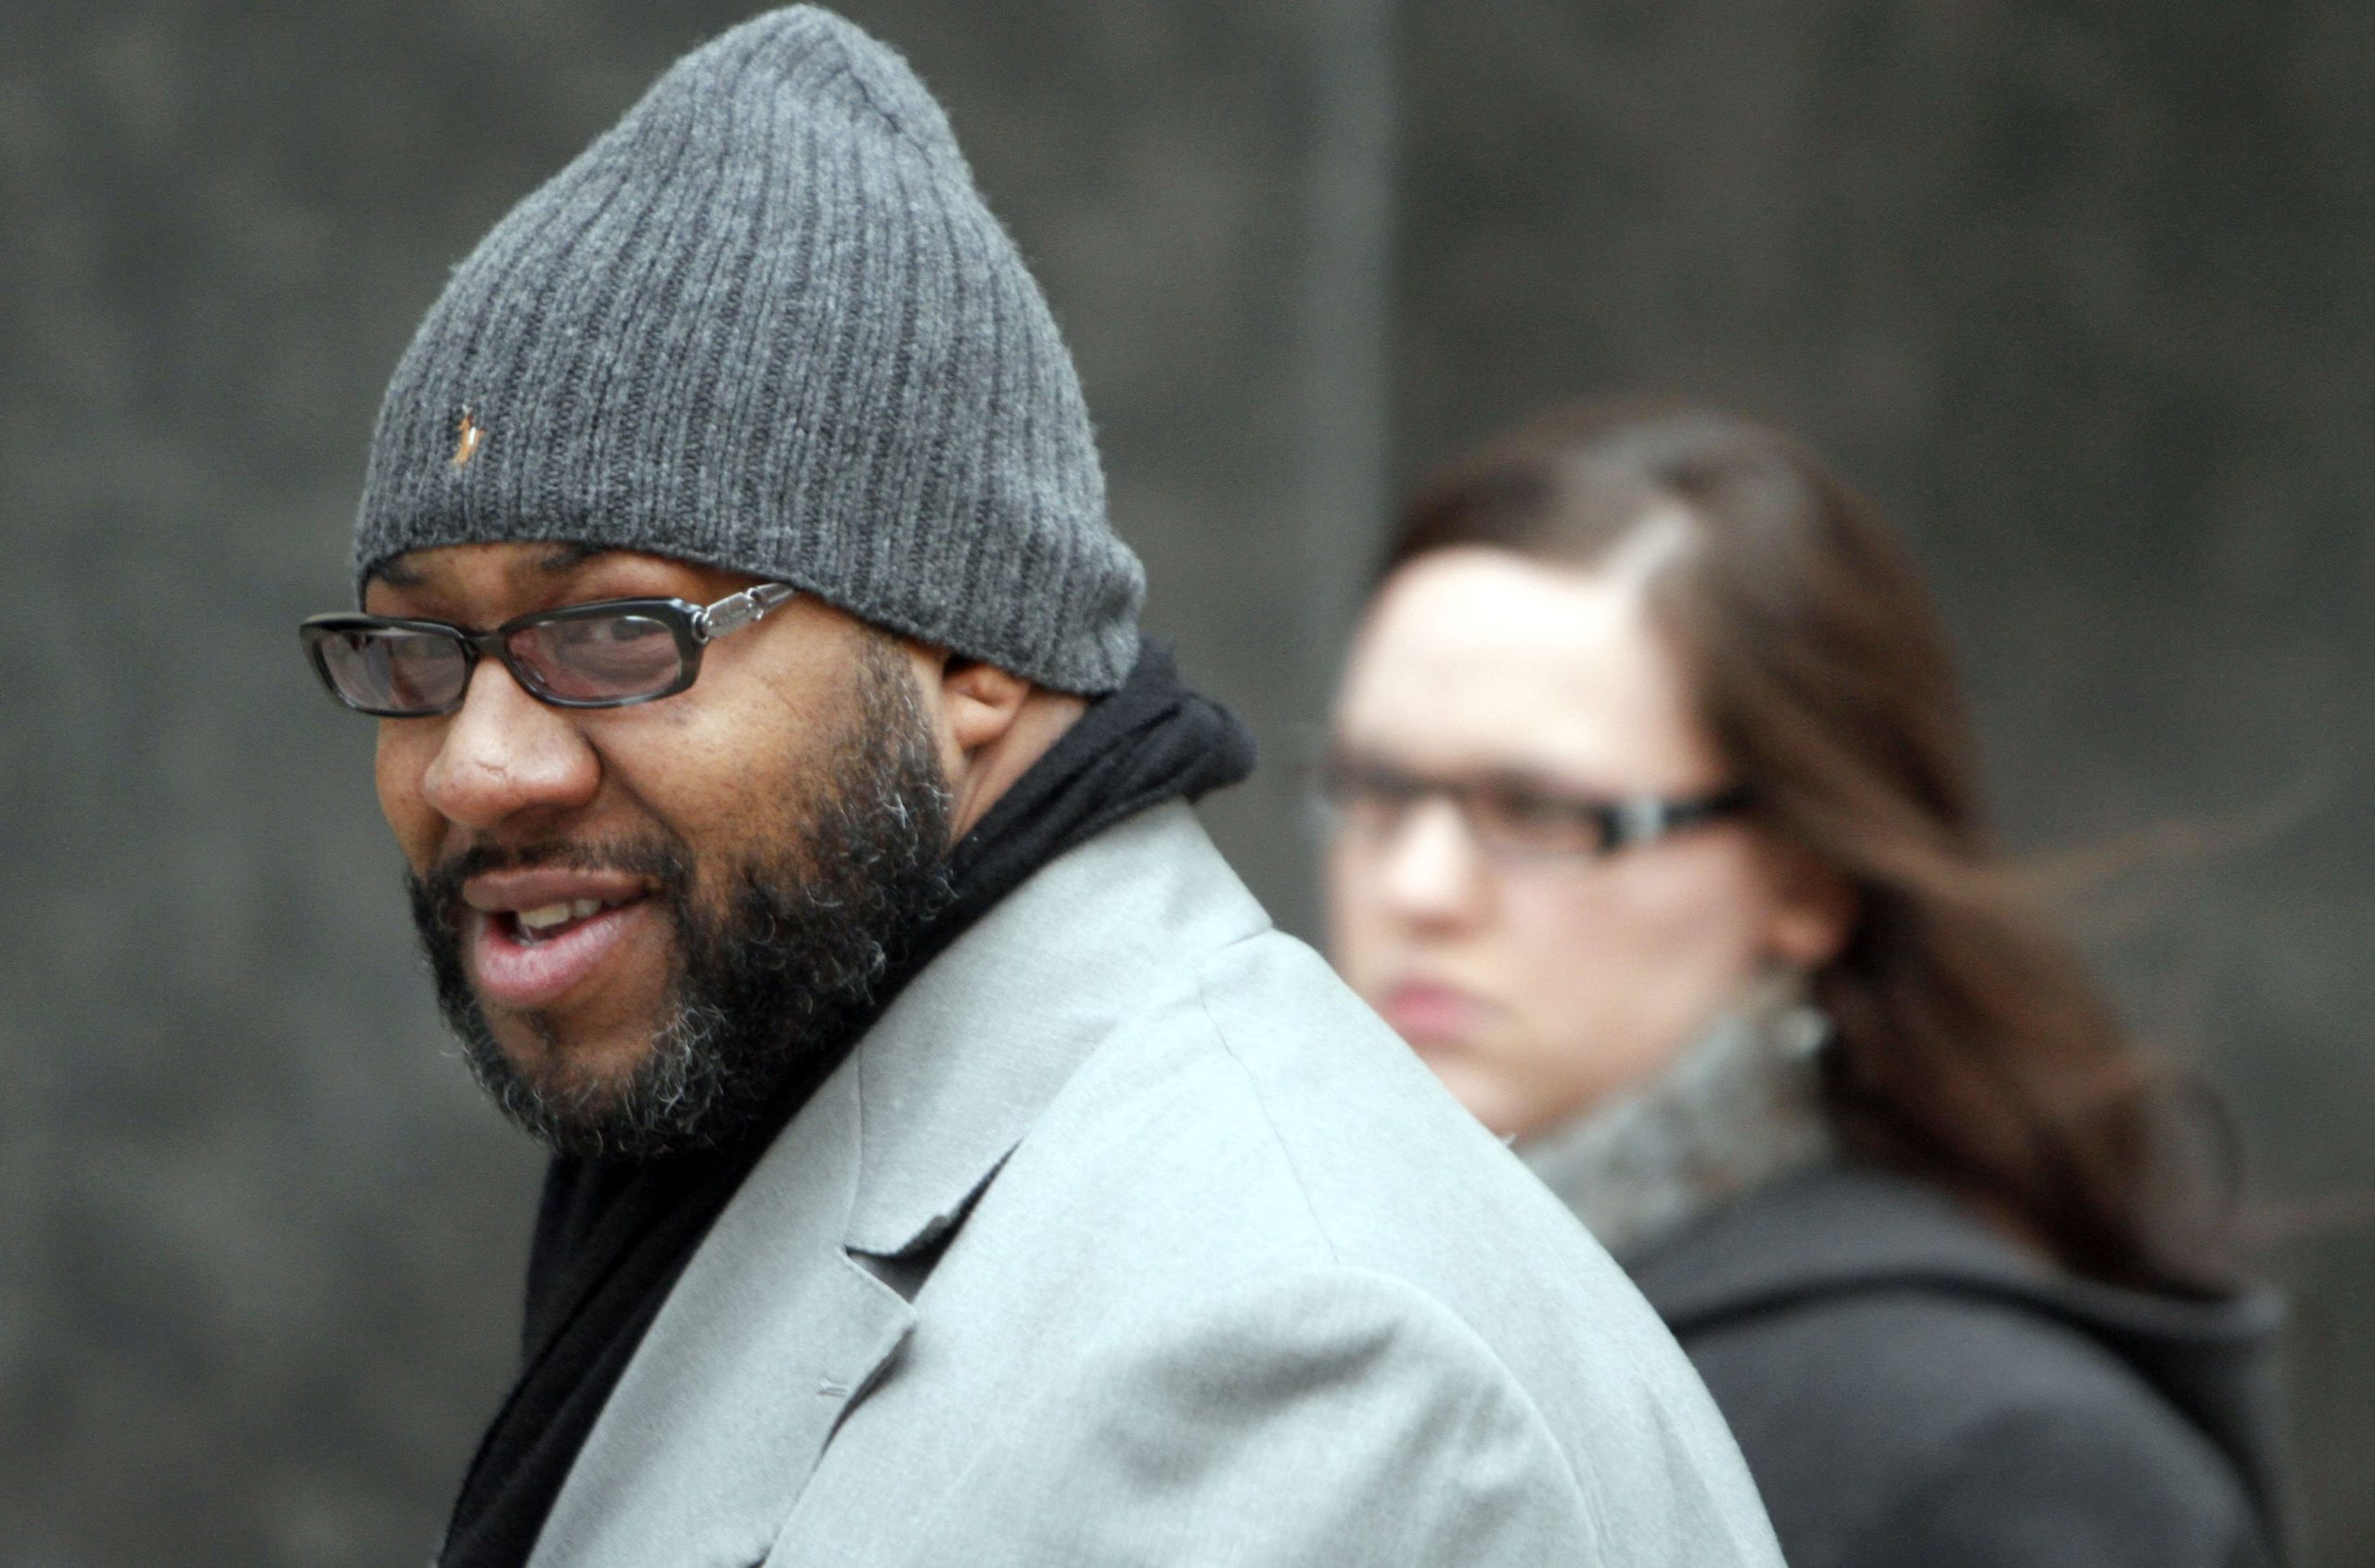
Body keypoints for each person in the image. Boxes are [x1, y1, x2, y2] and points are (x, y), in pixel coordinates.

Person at [300, 15, 1784, 1568]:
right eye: (417, 648)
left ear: (972, 659)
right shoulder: (756, 1150)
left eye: (614, 633)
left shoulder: (1296, 1355)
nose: (477, 762)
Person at [1323, 397, 2293, 1568]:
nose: (1418, 885)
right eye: (1374, 789)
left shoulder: (2004, 1462)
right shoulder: (1301, 1312)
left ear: (1806, 880)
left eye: (1539, 812)